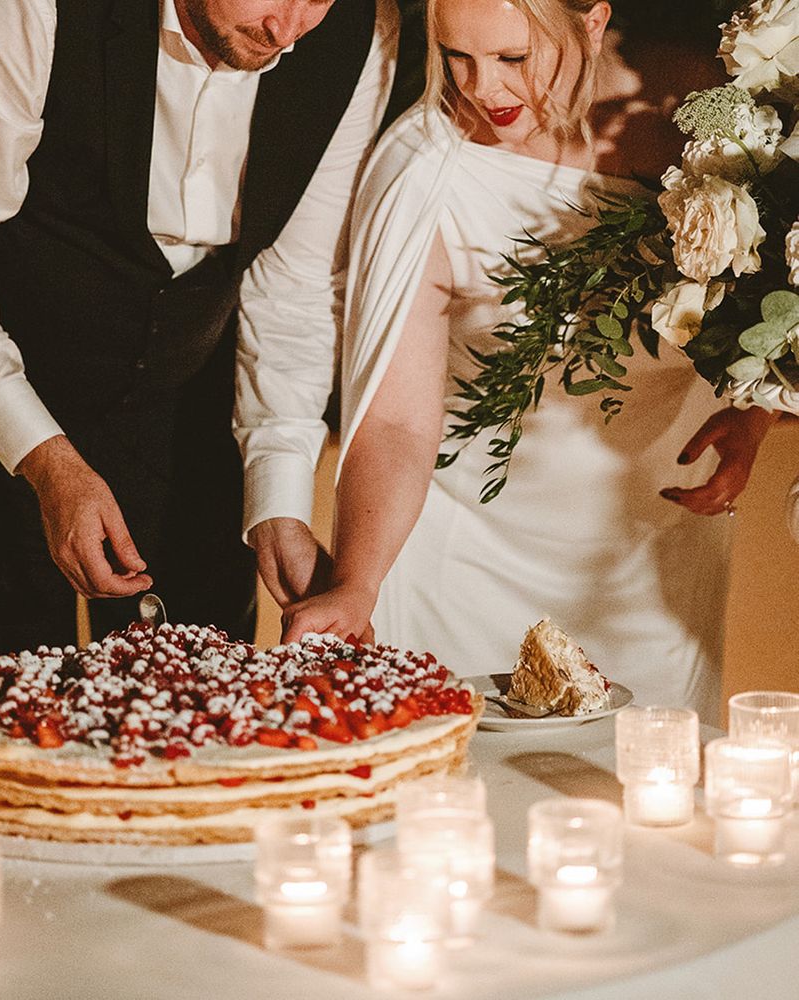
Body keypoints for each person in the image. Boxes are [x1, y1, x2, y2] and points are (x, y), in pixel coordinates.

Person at [245, 0, 776, 725]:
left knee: (646, 790)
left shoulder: (710, 122)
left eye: (512, 59)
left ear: (592, 23)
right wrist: (357, 584)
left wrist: (754, 414)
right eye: (457, 57)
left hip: (648, 545)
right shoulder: (428, 163)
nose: (481, 89)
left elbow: (776, 298)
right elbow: (397, 421)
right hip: (461, 548)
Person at [0, 0, 399, 677]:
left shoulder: (361, 29)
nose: (288, 28)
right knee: (19, 731)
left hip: (184, 415)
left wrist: (279, 504)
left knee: (202, 724)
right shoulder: (25, 8)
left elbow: (292, 286)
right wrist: (47, 460)